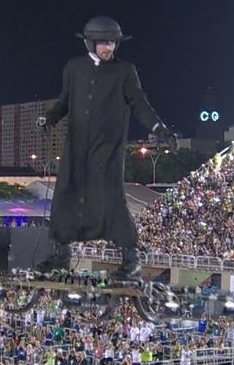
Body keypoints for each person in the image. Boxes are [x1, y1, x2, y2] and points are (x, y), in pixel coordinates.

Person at [37, 15, 174, 280]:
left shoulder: (125, 71)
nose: (109, 48)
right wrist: (49, 119)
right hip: (76, 147)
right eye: (103, 43)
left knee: (110, 197)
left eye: (112, 43)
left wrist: (159, 129)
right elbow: (64, 102)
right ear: (89, 43)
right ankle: (60, 256)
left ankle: (130, 260)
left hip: (107, 148)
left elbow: (139, 103)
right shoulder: (73, 68)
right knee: (66, 193)